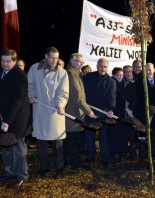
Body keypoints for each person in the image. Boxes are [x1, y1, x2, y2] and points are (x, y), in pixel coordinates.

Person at [27, 46, 69, 178]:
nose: (54, 61)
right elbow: (30, 84)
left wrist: (61, 104)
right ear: (46, 57)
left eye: (56, 58)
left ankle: (59, 169)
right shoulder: (34, 68)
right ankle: (44, 168)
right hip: (39, 109)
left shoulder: (62, 72)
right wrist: (31, 95)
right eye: (51, 58)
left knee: (57, 143)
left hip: (55, 111)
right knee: (41, 142)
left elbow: (63, 91)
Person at [0, 49, 31, 187]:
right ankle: (9, 172)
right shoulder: (1, 73)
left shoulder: (20, 76)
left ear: (14, 61)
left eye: (8, 61)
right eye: (2, 61)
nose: (5, 64)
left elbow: (16, 101)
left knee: (18, 148)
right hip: (3, 117)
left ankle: (22, 175)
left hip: (17, 118)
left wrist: (7, 121)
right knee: (6, 146)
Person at [64, 53, 96, 171]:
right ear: (72, 62)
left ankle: (69, 161)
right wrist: (89, 111)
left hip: (77, 113)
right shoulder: (71, 74)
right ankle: (76, 164)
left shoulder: (77, 73)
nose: (81, 64)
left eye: (82, 62)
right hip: (73, 114)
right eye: (79, 62)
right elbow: (77, 97)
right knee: (74, 140)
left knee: (73, 139)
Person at [84, 58, 116, 167]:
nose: (103, 68)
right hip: (89, 111)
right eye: (101, 66)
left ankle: (105, 158)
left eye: (105, 66)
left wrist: (111, 109)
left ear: (108, 68)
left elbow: (112, 98)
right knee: (89, 135)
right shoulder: (89, 77)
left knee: (103, 136)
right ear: (97, 66)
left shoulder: (111, 81)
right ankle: (90, 156)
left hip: (103, 112)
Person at [136, 62, 155, 161]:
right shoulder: (140, 81)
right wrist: (147, 107)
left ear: (154, 70)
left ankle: (152, 154)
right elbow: (139, 96)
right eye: (146, 69)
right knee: (143, 133)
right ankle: (143, 155)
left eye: (150, 69)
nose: (148, 71)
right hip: (144, 111)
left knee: (152, 133)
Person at [121, 65, 138, 159]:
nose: (128, 74)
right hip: (122, 113)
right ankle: (124, 150)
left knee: (133, 133)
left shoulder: (136, 83)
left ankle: (133, 151)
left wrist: (129, 108)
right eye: (126, 72)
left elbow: (137, 98)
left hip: (133, 112)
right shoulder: (120, 82)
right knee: (124, 133)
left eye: (130, 72)